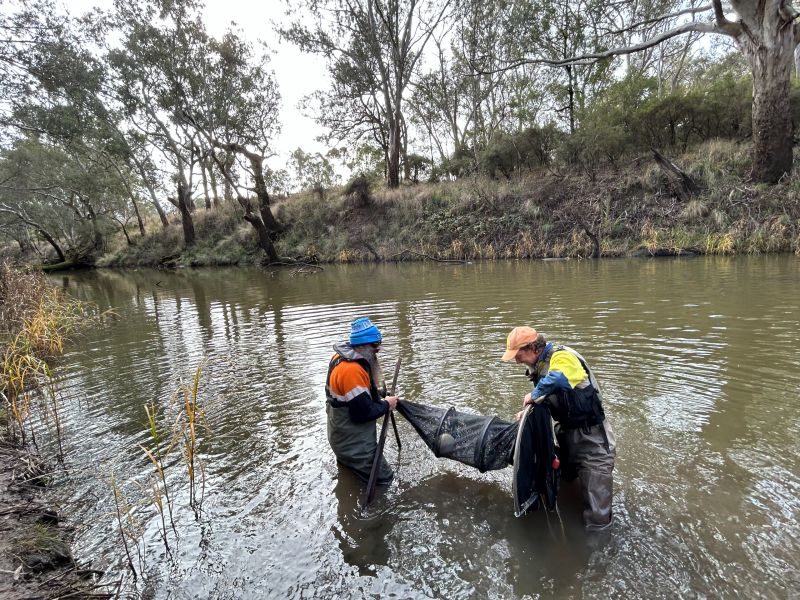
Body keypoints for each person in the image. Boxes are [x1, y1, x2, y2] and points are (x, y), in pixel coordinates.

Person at [502, 326, 616, 530]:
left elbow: (558, 379)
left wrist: (535, 395)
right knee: (565, 483)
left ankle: (596, 551)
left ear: (532, 348)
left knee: (598, 517)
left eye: (518, 355)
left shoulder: (563, 357)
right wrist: (530, 410)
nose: (516, 360)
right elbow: (549, 397)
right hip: (565, 436)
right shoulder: (539, 365)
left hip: (593, 441)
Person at [325, 317, 399, 484]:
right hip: (355, 446)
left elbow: (349, 396)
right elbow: (362, 414)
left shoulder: (339, 356)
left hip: (339, 438)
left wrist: (377, 394)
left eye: (378, 343)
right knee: (384, 479)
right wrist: (387, 404)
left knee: (352, 477)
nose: (378, 349)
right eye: (375, 346)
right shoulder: (352, 371)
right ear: (362, 345)